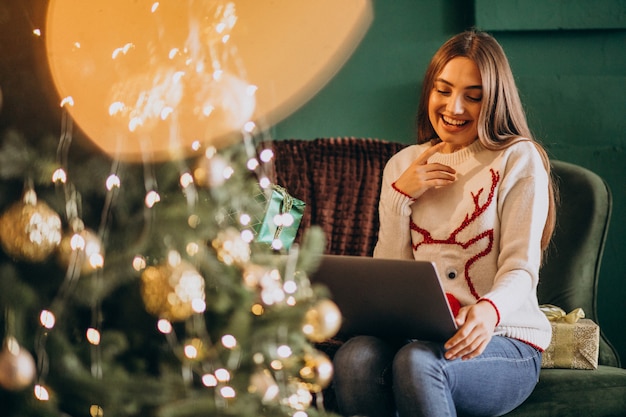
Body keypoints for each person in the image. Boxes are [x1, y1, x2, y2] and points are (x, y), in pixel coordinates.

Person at [332, 29, 557, 417]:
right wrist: (398, 198)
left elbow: (521, 268)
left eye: (473, 96)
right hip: (419, 336)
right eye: (443, 90)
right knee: (354, 359)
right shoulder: (403, 165)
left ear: (495, 100)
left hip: (505, 339)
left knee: (419, 361)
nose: (454, 108)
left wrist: (487, 311)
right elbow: (390, 275)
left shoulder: (519, 159)